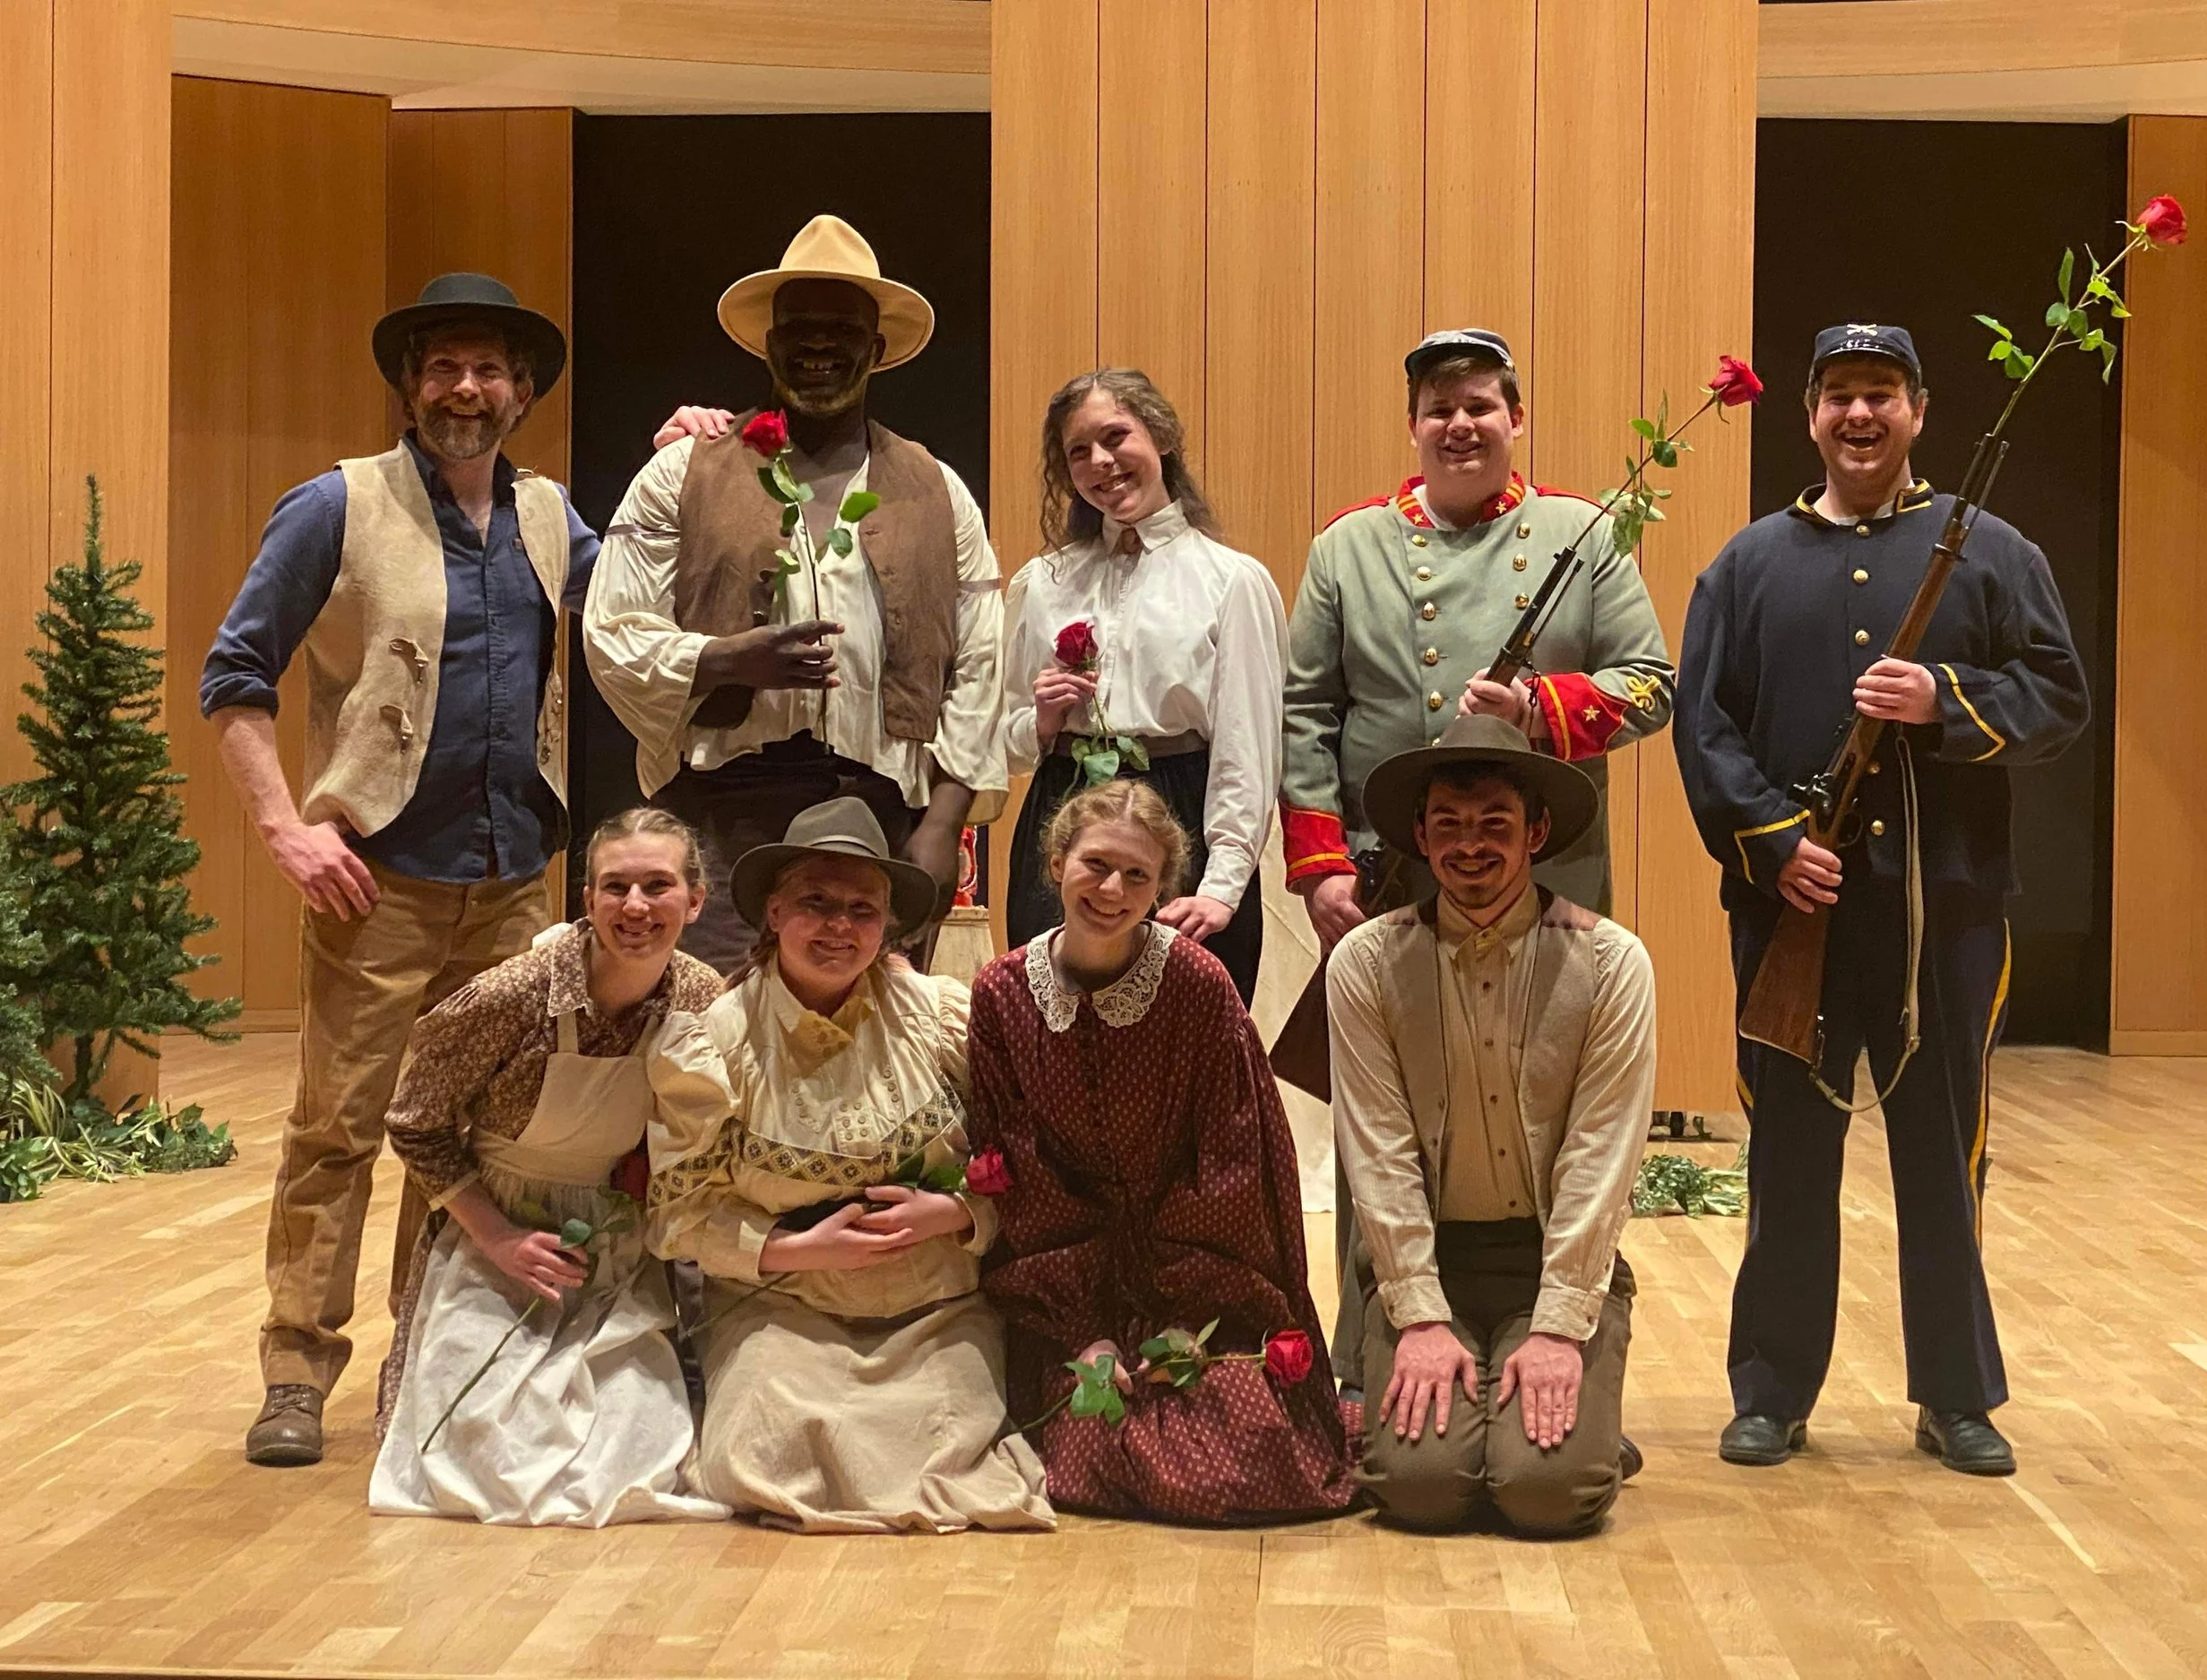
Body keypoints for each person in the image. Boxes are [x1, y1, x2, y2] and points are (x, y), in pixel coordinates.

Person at [1674, 324, 2089, 1477]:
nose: (1861, 417)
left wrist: (1941, 697)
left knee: (1941, 1156)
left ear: (1919, 411)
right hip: (1789, 912)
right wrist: (1769, 846)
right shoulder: (1745, 563)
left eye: (1882, 396)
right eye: (1840, 396)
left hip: (1946, 911)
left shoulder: (1991, 551)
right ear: (1808, 415)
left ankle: (1956, 1395)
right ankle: (1770, 1391)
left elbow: (2059, 698)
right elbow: (1706, 729)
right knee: (1786, 1158)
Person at [202, 272, 601, 1467]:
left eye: (490, 370)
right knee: (339, 1126)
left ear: (522, 391)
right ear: (411, 386)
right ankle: (294, 1363)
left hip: (514, 878)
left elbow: (638, 602)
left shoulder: (550, 517)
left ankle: (428, 1355)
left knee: (472, 1135)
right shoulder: (334, 504)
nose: (467, 389)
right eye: (445, 368)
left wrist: (692, 452)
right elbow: (234, 677)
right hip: (377, 879)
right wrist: (286, 827)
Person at [1281, 327, 1675, 1391]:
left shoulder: (1582, 533)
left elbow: (1651, 685)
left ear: (1515, 420)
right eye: (1440, 407)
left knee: (1554, 1116)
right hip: (1385, 877)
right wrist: (1319, 865)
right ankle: (1375, 1358)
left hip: (1553, 874)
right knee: (1385, 1122)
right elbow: (1304, 711)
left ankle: (1562, 1350)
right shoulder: (1346, 549)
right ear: (1413, 428)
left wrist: (1542, 709)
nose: (1460, 424)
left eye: (1481, 405)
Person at [584, 215, 1007, 973]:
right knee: (711, 1042)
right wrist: (720, 661)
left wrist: (944, 824)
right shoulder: (681, 474)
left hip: (882, 814)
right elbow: (611, 630)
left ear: (875, 349)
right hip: (719, 806)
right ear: (768, 343)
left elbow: (980, 665)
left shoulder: (939, 493)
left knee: (864, 1050)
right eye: (799, 328)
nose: (818, 345)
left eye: (841, 328)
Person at [642, 797, 1052, 1533]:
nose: (839, 925)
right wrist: (798, 1249)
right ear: (773, 913)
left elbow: (1028, 1154)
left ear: (887, 924)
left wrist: (959, 1210)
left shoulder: (941, 1016)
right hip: (784, 1309)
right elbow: (677, 1213)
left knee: (955, 1448)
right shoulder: (716, 1043)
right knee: (761, 1452)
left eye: (862, 909)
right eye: (816, 903)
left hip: (934, 1309)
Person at [969, 780, 1352, 1523]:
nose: (1112, 890)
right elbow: (1018, 1163)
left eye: (1137, 876)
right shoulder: (1003, 992)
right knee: (1080, 1439)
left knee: (1247, 1458)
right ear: (1056, 863)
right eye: (1096, 865)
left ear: (1161, 889)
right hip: (1071, 1285)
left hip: (1203, 1279)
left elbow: (1235, 1159)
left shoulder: (1198, 984)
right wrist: (1087, 1325)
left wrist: (1192, 1313)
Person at [1326, 714, 1655, 1536]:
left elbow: (1600, 1156)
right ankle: (1520, 1422)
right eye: (1448, 825)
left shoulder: (1612, 962)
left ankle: (1572, 1430)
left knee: (1548, 1494)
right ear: (1420, 836)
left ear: (1537, 831)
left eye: (1494, 824)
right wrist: (1420, 1317)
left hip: (1552, 1258)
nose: (1470, 846)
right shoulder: (1365, 963)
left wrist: (1556, 1329)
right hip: (1427, 1258)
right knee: (1419, 1489)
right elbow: (1379, 1154)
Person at [368, 810, 729, 1527]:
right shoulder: (512, 996)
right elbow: (415, 1121)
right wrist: (498, 1238)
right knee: (478, 1453)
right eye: (614, 886)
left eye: (658, 886)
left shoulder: (699, 996)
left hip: (616, 1244)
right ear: (587, 899)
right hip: (493, 1232)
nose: (635, 907)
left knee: (637, 1444)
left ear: (695, 900)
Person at [997, 369, 1288, 1004]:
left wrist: (1222, 883)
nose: (1101, 462)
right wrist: (1042, 721)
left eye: (1115, 437)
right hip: (1063, 811)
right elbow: (1008, 743)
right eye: (1079, 451)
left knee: (1185, 1051)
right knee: (1053, 1033)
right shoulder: (1041, 583)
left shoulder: (1231, 581)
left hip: (1181, 811)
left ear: (1159, 435)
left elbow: (1248, 749)